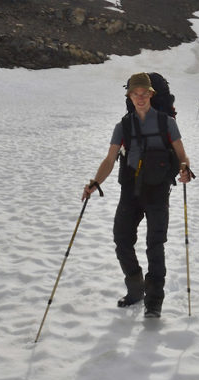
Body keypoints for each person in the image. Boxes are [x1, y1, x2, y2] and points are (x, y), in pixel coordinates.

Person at [82, 73, 192, 318]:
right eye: (135, 94)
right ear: (129, 96)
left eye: (144, 93)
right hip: (130, 189)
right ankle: (135, 290)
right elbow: (110, 160)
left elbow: (182, 155)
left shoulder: (166, 123)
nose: (140, 98)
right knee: (122, 241)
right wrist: (95, 182)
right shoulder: (123, 126)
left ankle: (154, 301)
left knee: (155, 245)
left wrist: (184, 169)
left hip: (158, 189)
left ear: (151, 94)